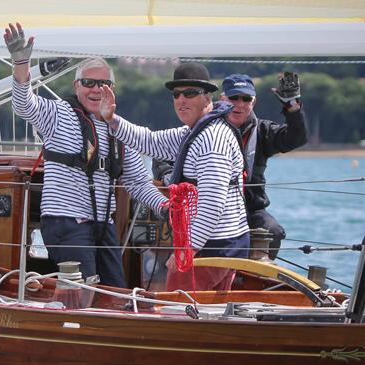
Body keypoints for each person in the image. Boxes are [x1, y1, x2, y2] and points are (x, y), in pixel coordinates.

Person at [4, 23, 168, 287]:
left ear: (112, 88)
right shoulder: (58, 114)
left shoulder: (119, 128)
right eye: (88, 83)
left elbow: (137, 181)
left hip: (103, 225)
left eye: (103, 84)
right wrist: (21, 63)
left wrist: (164, 206)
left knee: (117, 291)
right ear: (76, 86)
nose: (95, 90)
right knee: (83, 292)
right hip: (66, 223)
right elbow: (24, 105)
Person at [99, 62, 249, 292]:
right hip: (223, 243)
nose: (182, 100)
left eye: (190, 93)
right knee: (209, 313)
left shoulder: (212, 140)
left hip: (214, 246)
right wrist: (112, 119)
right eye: (176, 94)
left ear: (207, 98)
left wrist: (186, 250)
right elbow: (150, 141)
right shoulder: (193, 132)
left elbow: (212, 204)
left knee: (176, 308)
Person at [220, 72, 307, 259]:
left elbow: (296, 138)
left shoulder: (263, 131)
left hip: (251, 209)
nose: (240, 104)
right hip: (214, 208)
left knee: (273, 231)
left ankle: (254, 280)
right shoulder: (206, 128)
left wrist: (292, 106)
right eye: (234, 98)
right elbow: (167, 154)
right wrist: (168, 174)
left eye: (246, 99)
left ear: (254, 102)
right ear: (222, 99)